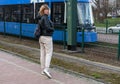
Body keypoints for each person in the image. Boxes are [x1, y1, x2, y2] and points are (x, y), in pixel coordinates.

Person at [37, 4, 54, 79]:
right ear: (45, 11)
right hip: (47, 37)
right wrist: (52, 29)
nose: (49, 11)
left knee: (42, 53)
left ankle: (42, 69)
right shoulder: (46, 17)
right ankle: (46, 69)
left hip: (41, 37)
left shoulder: (40, 17)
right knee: (49, 53)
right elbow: (47, 27)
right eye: (48, 10)